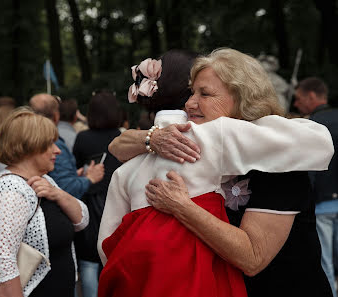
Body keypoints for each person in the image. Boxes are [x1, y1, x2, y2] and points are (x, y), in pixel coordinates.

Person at [101, 48, 334, 297]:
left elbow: (253, 258)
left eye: (205, 94)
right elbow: (117, 146)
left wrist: (181, 206)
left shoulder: (279, 163)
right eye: (191, 92)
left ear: (244, 99)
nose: (190, 103)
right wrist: (153, 138)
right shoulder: (197, 146)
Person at [0, 107, 89, 297]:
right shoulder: (9, 190)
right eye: (50, 144)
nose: (57, 150)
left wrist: (57, 194)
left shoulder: (45, 180)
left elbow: (82, 220)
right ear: (29, 146)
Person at [73, 91, 123, 297]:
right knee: (114, 254)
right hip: (117, 201)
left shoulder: (83, 138)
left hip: (90, 201)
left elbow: (75, 169)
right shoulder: (123, 138)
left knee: (88, 262)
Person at [294, 77, 338, 297]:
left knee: (325, 262)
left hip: (321, 202)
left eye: (299, 98)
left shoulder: (311, 124)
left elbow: (308, 168)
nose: (295, 104)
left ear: (311, 97)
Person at [29, 93, 104, 199]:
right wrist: (90, 178)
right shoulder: (53, 142)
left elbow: (57, 179)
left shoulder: (25, 138)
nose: (57, 151)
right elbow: (65, 187)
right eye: (51, 144)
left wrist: (73, 174)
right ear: (56, 116)